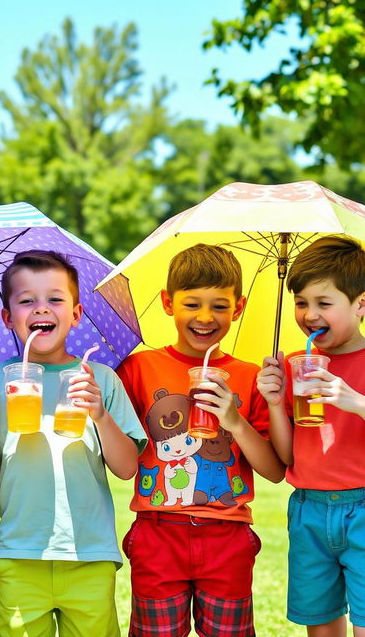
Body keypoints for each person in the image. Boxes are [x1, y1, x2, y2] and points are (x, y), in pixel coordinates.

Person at [0, 249, 147, 637]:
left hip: (90, 556)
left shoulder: (101, 379)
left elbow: (128, 468)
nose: (41, 309)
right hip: (20, 555)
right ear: (9, 317)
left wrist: (99, 413)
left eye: (55, 299)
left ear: (75, 313)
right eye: (27, 301)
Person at [116, 243, 284, 637]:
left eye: (220, 307)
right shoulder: (139, 368)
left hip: (227, 535)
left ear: (238, 308)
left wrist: (235, 420)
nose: (205, 317)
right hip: (158, 531)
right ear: (168, 303)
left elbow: (275, 471)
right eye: (192, 304)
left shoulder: (251, 376)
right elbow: (119, 451)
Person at [257, 236, 365, 637]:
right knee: (320, 628)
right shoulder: (293, 365)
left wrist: (353, 400)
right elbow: (286, 457)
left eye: (324, 303)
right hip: (309, 511)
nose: (309, 314)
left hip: (363, 508)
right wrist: (272, 401)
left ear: (360, 305)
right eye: (301, 303)